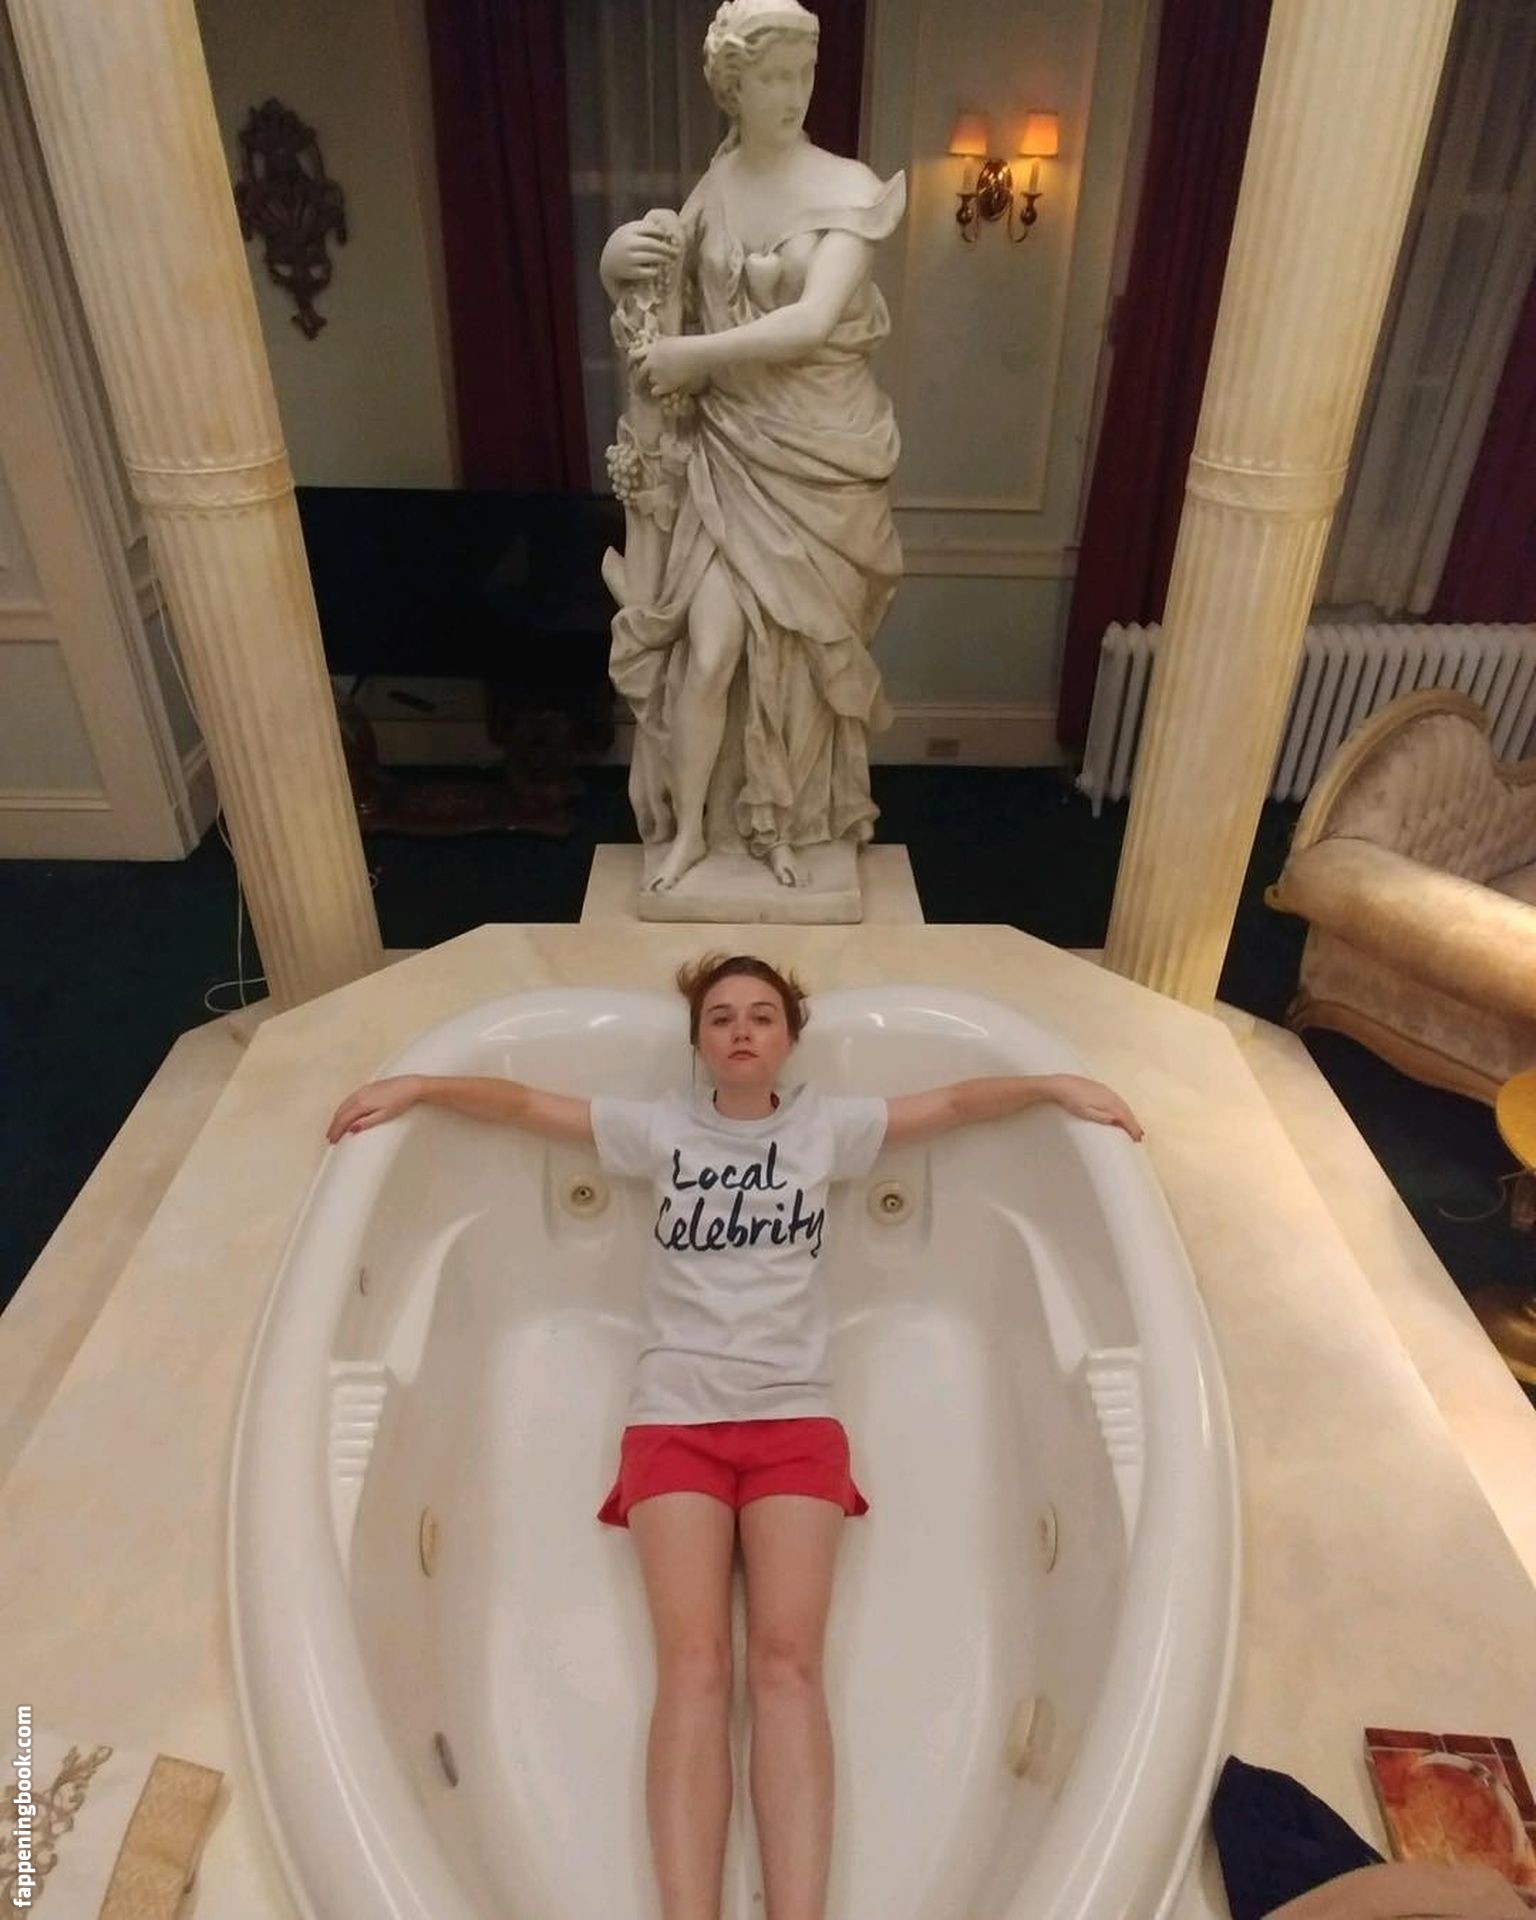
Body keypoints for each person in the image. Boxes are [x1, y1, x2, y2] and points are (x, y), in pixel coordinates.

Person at [325, 951, 1142, 1920]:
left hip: (796, 1418)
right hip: (674, 1419)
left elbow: (959, 1102)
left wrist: (1054, 1085)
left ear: (790, 1038)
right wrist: (421, 1086)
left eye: (761, 1016)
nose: (741, 1030)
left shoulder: (828, 1128)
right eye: (720, 1018)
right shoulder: (659, 1128)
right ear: (699, 1043)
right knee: (696, 1668)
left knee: (788, 1667)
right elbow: (527, 1106)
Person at [600, 0, 907, 897]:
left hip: (821, 464)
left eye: (803, 72)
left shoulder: (849, 188)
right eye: (773, 76)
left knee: (798, 663)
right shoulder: (717, 188)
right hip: (727, 458)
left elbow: (811, 322)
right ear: (732, 88)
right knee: (709, 654)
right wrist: (618, 257)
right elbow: (663, 294)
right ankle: (694, 832)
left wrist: (692, 357)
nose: (793, 91)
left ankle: (787, 823)